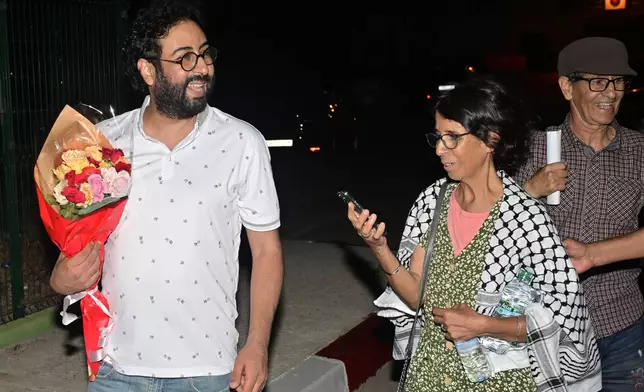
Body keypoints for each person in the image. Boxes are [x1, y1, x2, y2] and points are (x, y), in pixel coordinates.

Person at [49, 1, 284, 391]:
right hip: (115, 367)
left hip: (207, 370)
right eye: (185, 58)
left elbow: (267, 251)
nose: (203, 67)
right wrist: (61, 278)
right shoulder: (104, 143)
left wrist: (258, 344)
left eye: (205, 53)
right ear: (148, 70)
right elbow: (76, 245)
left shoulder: (242, 142)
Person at [349, 78, 601, 391]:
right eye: (438, 137)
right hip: (429, 375)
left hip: (497, 381)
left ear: (490, 141)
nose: (440, 149)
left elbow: (562, 325)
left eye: (452, 137)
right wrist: (379, 247)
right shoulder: (431, 202)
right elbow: (417, 298)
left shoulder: (525, 219)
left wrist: (484, 325)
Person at [515, 37, 644, 391]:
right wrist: (529, 191)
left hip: (620, 324)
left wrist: (595, 254)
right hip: (545, 326)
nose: (612, 92)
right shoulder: (532, 149)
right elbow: (488, 228)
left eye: (619, 82)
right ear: (566, 87)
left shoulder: (639, 151)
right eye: (598, 81)